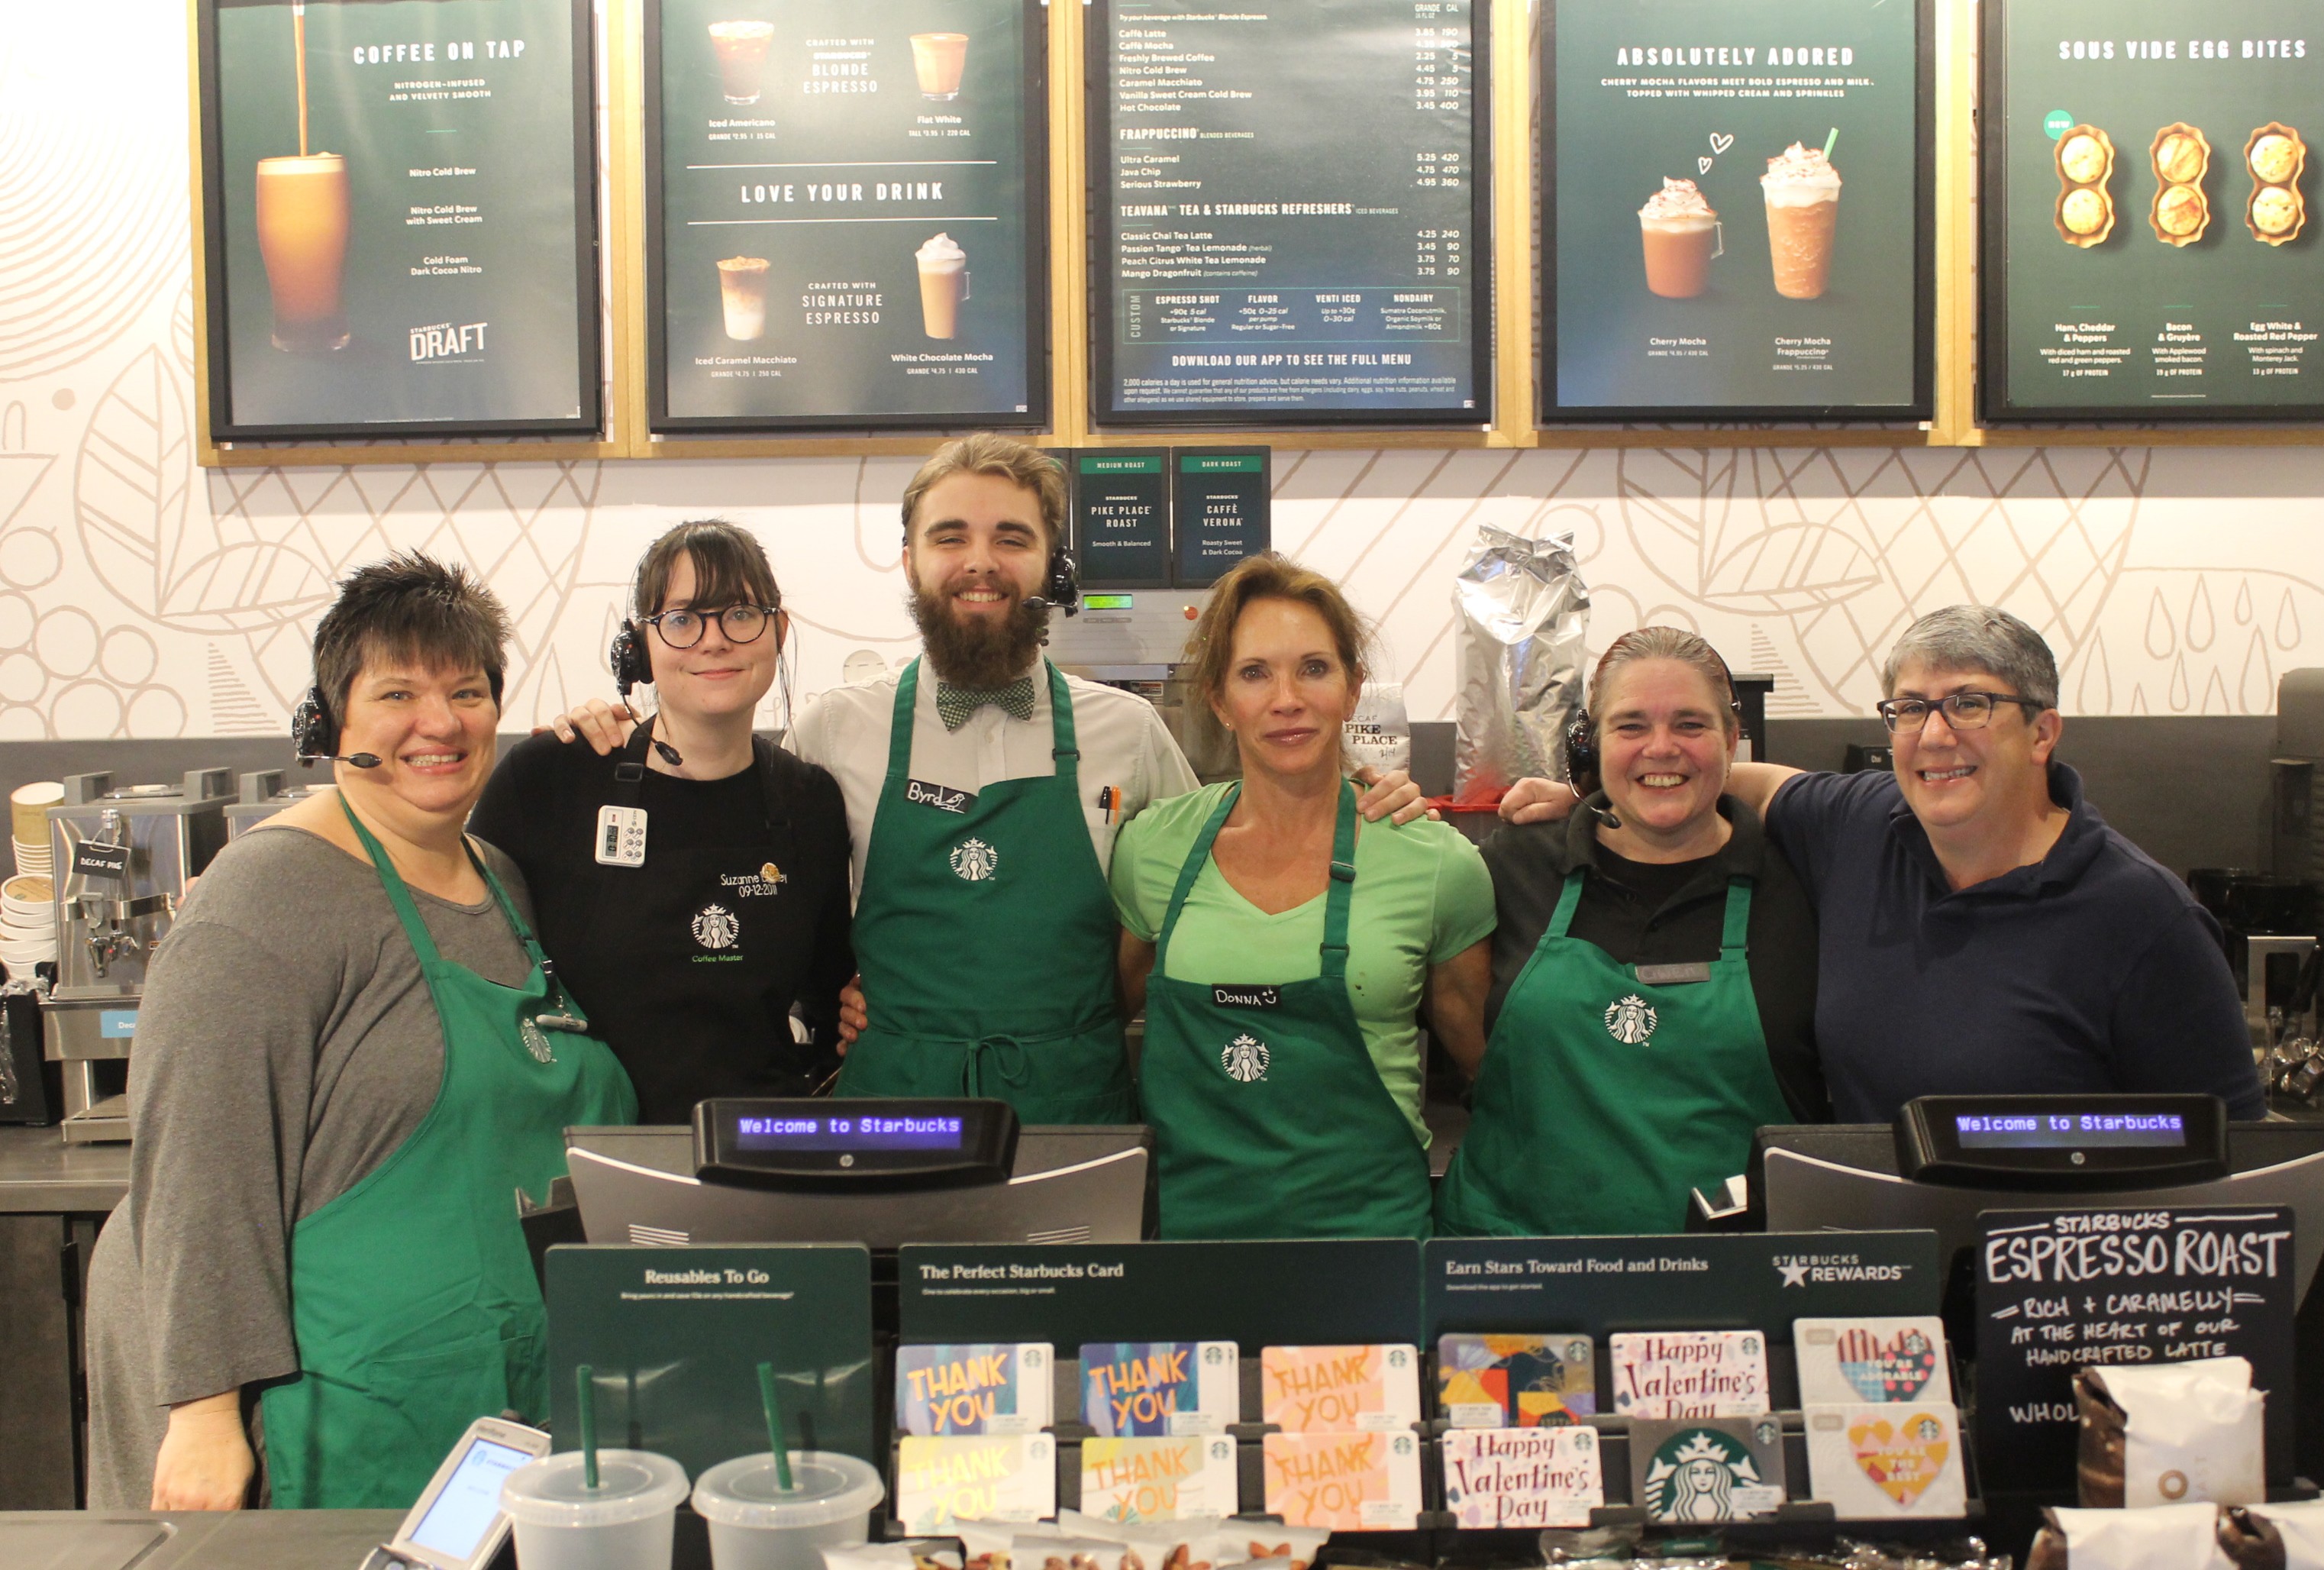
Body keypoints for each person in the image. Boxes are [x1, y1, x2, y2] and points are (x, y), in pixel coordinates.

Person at [557, 434, 1426, 1123]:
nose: (981, 561)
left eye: (1012, 537)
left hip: (1074, 1114)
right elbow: (750, 882)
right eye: (950, 537)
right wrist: (614, 737)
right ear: (909, 562)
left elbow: (1233, 859)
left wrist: (1358, 792)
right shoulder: (833, 728)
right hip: (894, 1117)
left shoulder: (1128, 733)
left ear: (1054, 564)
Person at [86, 554, 634, 1510]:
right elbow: (199, 1169)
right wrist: (205, 1416)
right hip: (330, 1407)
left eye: (467, 690)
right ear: (329, 721)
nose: (441, 720)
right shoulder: (264, 900)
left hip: (487, 1394)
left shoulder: (497, 878)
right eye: (398, 693)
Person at [1499, 606, 2266, 1121]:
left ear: (2042, 733)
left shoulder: (2140, 916)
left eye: (1969, 703)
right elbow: (1758, 783)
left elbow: (2232, 1154)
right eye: (1909, 708)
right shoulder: (1862, 826)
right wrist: (1624, 787)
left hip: (2056, 1290)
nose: (1934, 735)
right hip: (1880, 1271)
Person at [1109, 554, 1493, 1239]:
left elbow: (1485, 1074)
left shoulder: (1436, 863)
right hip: (1187, 1243)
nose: (1287, 698)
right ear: (1221, 701)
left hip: (1370, 1249)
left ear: (1353, 689)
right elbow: (1100, 1019)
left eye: (1314, 668)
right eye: (1255, 673)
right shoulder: (1153, 850)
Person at [1435, 628, 1826, 1239]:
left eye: (1691, 725)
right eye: (1631, 726)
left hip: (1731, 1282)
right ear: (1594, 743)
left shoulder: (1805, 883)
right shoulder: (1512, 868)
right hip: (1515, 1276)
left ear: (1731, 740)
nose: (1661, 748)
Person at [471, 521, 854, 1122]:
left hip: (761, 1150)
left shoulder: (810, 802)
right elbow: (473, 985)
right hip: (585, 1150)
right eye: (681, 619)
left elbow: (832, 1002)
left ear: (778, 632)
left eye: (740, 613)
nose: (714, 640)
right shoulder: (551, 778)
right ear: (638, 647)